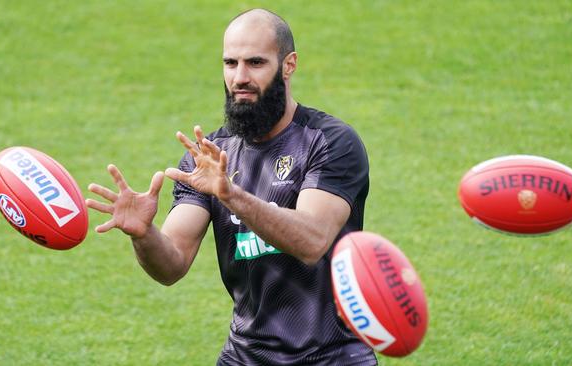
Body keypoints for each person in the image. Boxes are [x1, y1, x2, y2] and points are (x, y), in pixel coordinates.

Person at [86, 8, 375, 366]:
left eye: (255, 63)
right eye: (230, 63)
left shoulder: (329, 142)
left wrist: (232, 195)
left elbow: (312, 240)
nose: (240, 77)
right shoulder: (207, 156)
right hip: (245, 356)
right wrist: (143, 235)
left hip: (331, 356)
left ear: (289, 65)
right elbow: (171, 265)